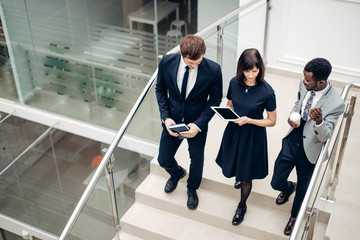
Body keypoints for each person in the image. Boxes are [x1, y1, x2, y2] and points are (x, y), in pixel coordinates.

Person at [271, 58, 345, 236]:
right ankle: (288, 187)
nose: (304, 82)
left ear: (321, 81)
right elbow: (298, 103)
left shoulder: (336, 103)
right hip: (293, 138)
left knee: (303, 188)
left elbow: (326, 135)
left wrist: (319, 121)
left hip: (311, 148)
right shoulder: (304, 84)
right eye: (303, 78)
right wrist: (292, 116)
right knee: (276, 182)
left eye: (308, 80)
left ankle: (294, 218)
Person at [155, 34, 223, 210]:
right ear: (181, 53)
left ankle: (192, 188)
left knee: (196, 159)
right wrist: (166, 117)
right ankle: (177, 173)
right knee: (163, 158)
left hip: (197, 122)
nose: (194, 66)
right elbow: (160, 90)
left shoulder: (214, 70)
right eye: (190, 63)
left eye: (197, 62)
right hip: (173, 120)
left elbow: (215, 101)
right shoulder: (166, 62)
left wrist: (199, 125)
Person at [215, 48, 277, 225]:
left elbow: (271, 121)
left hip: (252, 135)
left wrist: (249, 120)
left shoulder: (267, 92)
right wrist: (229, 112)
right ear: (241, 68)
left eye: (255, 71)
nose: (251, 75)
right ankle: (238, 177)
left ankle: (242, 205)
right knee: (235, 162)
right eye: (247, 70)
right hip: (234, 131)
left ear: (260, 69)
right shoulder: (234, 82)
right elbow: (230, 103)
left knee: (246, 174)